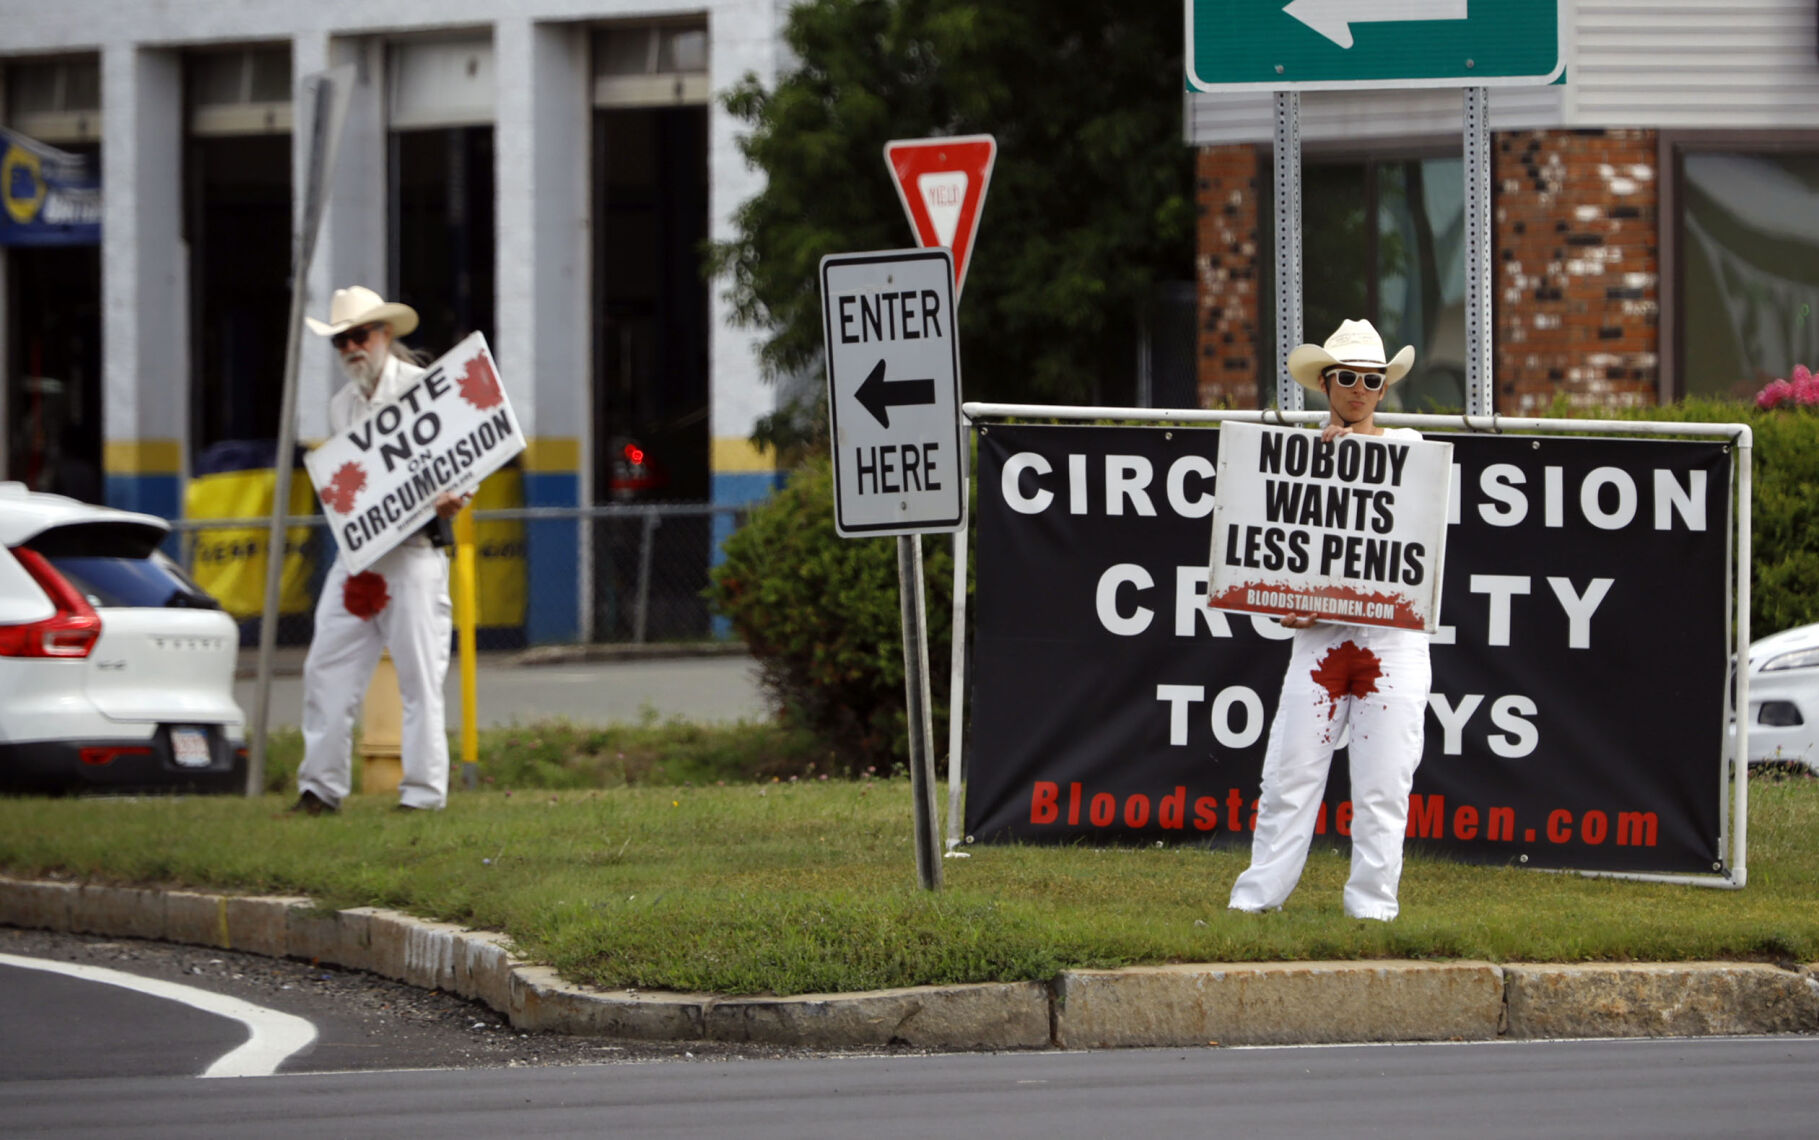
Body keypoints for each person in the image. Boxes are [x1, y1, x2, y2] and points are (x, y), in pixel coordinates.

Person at [1227, 319, 1434, 921]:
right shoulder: (1296, 461)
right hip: (1320, 640)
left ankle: (1372, 910)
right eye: (1349, 378)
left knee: (1383, 785)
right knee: (1289, 775)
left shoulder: (1410, 448)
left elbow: (1414, 493)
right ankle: (1256, 903)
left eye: (1374, 379)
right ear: (1326, 382)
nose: (1362, 389)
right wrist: (1289, 600)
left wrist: (1354, 455)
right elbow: (1282, 553)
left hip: (1393, 643)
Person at [291, 287, 469, 814]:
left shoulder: (424, 390)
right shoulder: (341, 406)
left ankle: (422, 795)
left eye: (359, 335)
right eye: (341, 340)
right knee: (325, 670)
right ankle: (319, 789)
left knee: (419, 679)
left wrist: (455, 497)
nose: (351, 347)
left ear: (384, 335)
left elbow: (465, 453)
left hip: (414, 553)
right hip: (360, 557)